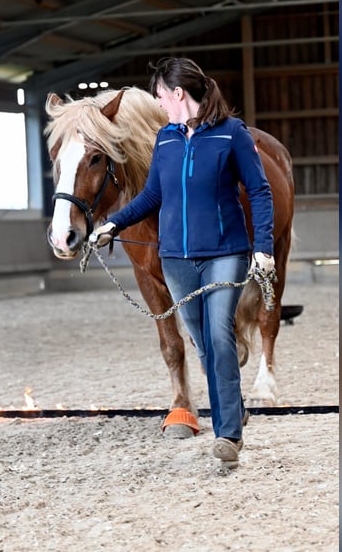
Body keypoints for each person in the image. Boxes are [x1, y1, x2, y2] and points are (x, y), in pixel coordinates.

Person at [89, 57, 275, 467]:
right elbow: (153, 195)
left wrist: (263, 246)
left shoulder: (232, 135)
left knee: (219, 334)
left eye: (160, 96)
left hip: (225, 253)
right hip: (176, 259)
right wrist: (113, 223)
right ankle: (233, 402)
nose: (159, 104)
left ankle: (228, 434)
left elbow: (260, 192)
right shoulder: (166, 139)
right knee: (203, 342)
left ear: (178, 93)